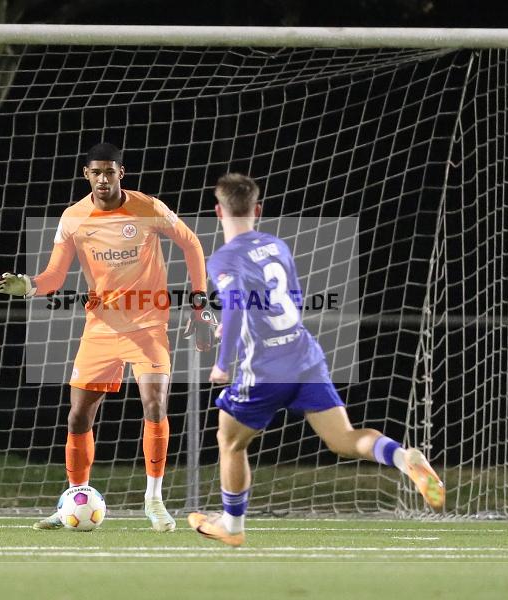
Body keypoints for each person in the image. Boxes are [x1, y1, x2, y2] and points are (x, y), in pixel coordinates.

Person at [187, 173, 444, 547]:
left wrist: (222, 362)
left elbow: (235, 306)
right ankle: (404, 458)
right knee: (344, 438)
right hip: (304, 356)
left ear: (217, 211)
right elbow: (292, 296)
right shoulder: (277, 246)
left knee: (230, 442)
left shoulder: (225, 258)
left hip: (263, 369)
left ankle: (232, 525)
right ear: (257, 209)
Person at [0, 143, 215, 532]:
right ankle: (73, 501)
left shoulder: (148, 207)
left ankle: (155, 501)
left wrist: (199, 303)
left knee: (155, 403)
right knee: (78, 415)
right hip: (101, 328)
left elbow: (191, 243)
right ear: (87, 175)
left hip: (148, 325)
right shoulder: (74, 218)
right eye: (97, 172)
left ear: (120, 173)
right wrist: (27, 285)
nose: (104, 178)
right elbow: (55, 276)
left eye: (110, 172)